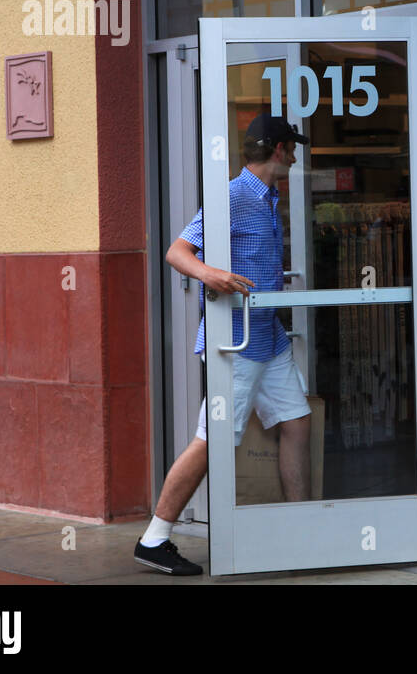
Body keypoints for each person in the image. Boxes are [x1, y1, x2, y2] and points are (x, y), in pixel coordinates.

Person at [134, 113, 312, 576]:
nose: (295, 157)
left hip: (267, 336)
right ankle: (155, 537)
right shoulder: (233, 196)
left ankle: (300, 526)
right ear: (278, 150)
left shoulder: (269, 197)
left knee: (296, 421)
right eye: (291, 149)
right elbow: (177, 252)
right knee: (210, 442)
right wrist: (211, 274)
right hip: (236, 342)